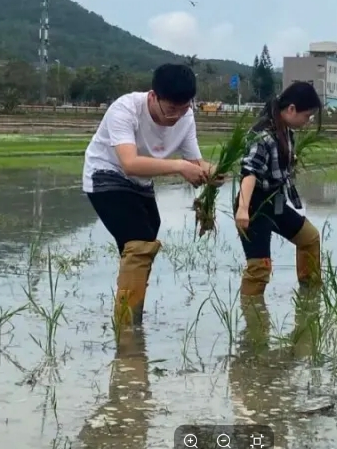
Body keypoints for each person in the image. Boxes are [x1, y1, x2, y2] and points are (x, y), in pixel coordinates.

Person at [83, 63, 220, 328]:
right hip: (105, 174)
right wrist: (179, 166)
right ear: (153, 96)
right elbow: (129, 163)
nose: (176, 116)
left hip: (141, 182)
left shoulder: (186, 117)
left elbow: (195, 161)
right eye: (171, 109)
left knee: (146, 237)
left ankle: (130, 313)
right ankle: (127, 326)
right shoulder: (125, 109)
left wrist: (213, 171)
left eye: (184, 108)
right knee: (139, 242)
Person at [234, 81, 323, 298]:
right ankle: (252, 315)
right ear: (291, 109)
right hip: (255, 206)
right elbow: (249, 172)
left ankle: (310, 297)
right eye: (307, 116)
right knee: (259, 268)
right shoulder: (263, 135)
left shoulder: (285, 131)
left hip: (275, 202)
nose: (307, 121)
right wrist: (243, 209)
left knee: (309, 238)